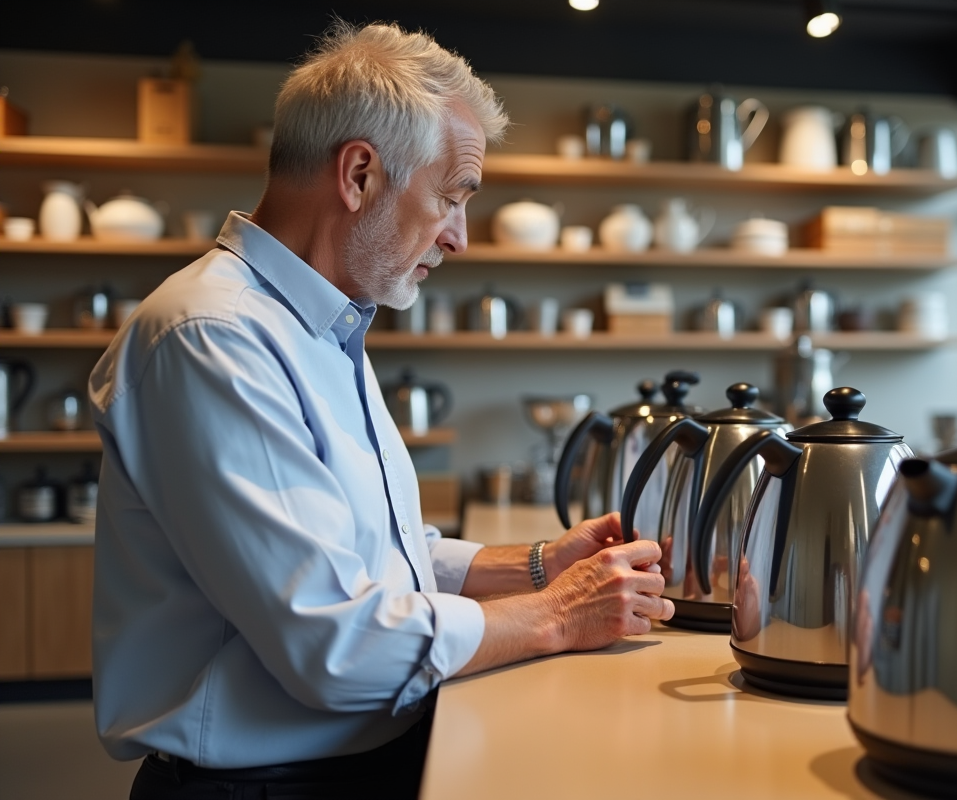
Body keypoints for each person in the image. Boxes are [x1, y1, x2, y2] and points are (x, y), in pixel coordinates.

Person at [88, 21, 674, 800]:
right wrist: (558, 614)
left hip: (347, 765)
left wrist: (537, 566)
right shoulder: (213, 336)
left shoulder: (322, 325)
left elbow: (373, 557)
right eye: (451, 196)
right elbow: (332, 642)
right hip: (264, 787)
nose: (459, 238)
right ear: (359, 173)